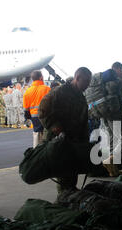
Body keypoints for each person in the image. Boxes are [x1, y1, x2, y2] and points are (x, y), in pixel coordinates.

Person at [38, 67, 91, 201]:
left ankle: (69, 199)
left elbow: (83, 120)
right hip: (59, 142)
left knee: (72, 175)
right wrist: (56, 129)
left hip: (73, 142)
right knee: (64, 177)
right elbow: (42, 111)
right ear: (77, 78)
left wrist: (85, 142)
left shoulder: (80, 97)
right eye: (85, 82)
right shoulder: (60, 92)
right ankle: (63, 204)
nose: (87, 85)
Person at [23, 70, 51, 148]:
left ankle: (36, 153)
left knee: (37, 136)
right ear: (41, 77)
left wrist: (27, 119)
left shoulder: (27, 91)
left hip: (34, 117)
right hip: (46, 117)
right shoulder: (47, 89)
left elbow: (26, 109)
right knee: (47, 137)